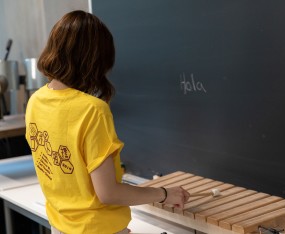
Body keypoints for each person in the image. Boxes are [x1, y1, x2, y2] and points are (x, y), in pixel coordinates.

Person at [25, 10, 189, 234]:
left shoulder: (35, 101)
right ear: (94, 61)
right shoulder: (92, 109)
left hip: (60, 227)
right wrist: (165, 194)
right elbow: (108, 193)